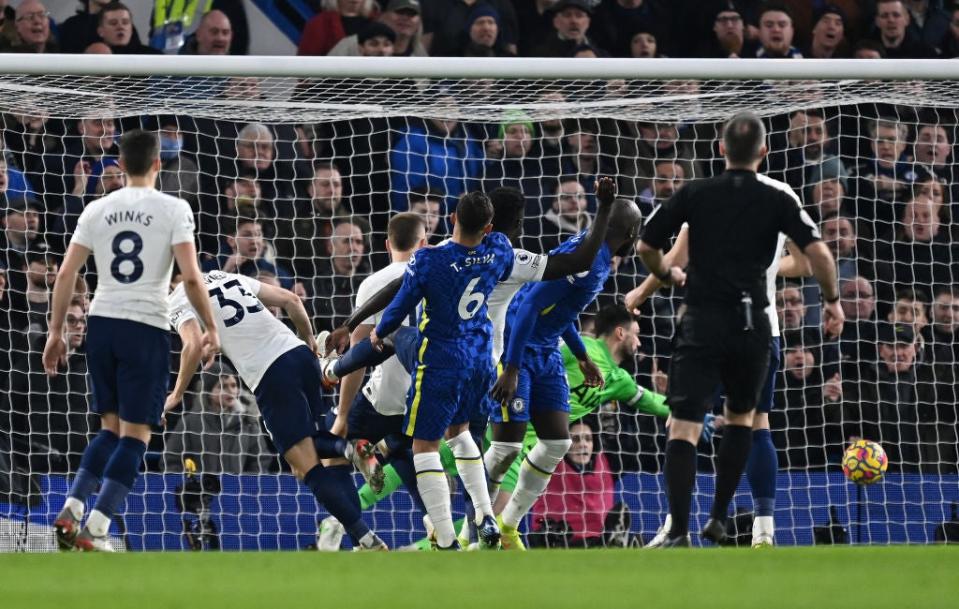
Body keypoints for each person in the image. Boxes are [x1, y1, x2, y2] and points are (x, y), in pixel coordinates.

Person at [636, 111, 842, 546]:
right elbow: (815, 260)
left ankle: (677, 526)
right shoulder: (780, 195)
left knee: (683, 424)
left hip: (702, 323)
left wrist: (651, 284)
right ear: (764, 151)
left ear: (720, 148)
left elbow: (663, 253)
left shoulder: (697, 194)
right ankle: (736, 521)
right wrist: (831, 301)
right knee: (748, 421)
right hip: (756, 326)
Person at [44, 129, 220, 552]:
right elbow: (192, 276)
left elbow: (67, 273)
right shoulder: (174, 208)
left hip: (101, 321)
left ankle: (72, 507)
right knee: (137, 435)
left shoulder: (96, 208)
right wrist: (211, 326)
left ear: (120, 166)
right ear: (158, 164)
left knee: (109, 428)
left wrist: (54, 332)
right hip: (146, 323)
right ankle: (98, 526)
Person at [166, 270, 387, 550]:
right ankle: (349, 453)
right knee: (307, 454)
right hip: (299, 356)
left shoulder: (177, 298)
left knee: (306, 467)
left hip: (270, 375)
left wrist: (175, 394)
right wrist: (309, 342)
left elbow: (191, 345)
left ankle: (367, 539)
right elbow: (292, 299)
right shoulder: (222, 276)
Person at [489, 196, 642, 550]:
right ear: (632, 233)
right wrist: (511, 367)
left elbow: (562, 310)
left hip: (546, 351)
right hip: (520, 348)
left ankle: (507, 526)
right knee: (507, 448)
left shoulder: (595, 255)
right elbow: (529, 304)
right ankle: (476, 522)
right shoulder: (588, 262)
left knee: (557, 442)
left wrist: (581, 355)